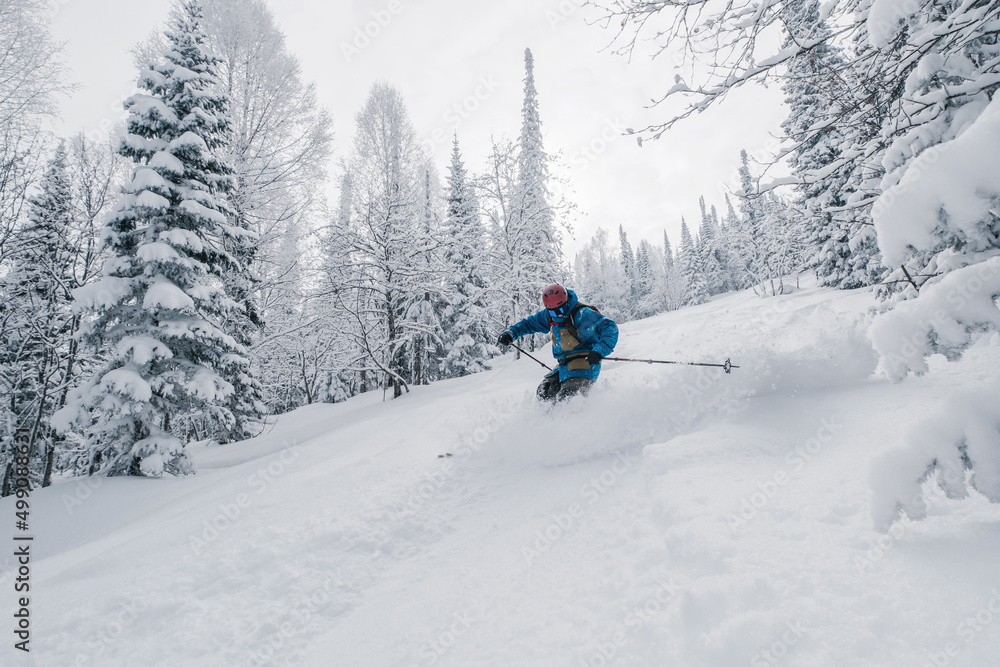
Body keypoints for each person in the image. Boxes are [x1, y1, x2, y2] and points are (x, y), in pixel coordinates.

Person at [497, 284, 619, 402]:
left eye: (561, 309)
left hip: (586, 361)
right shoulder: (549, 315)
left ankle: (579, 420)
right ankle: (547, 422)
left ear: (566, 302)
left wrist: (599, 351)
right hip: (564, 365)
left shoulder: (582, 314)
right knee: (544, 392)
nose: (558, 314)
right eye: (554, 312)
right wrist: (511, 333)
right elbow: (528, 324)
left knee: (568, 397)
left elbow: (610, 328)